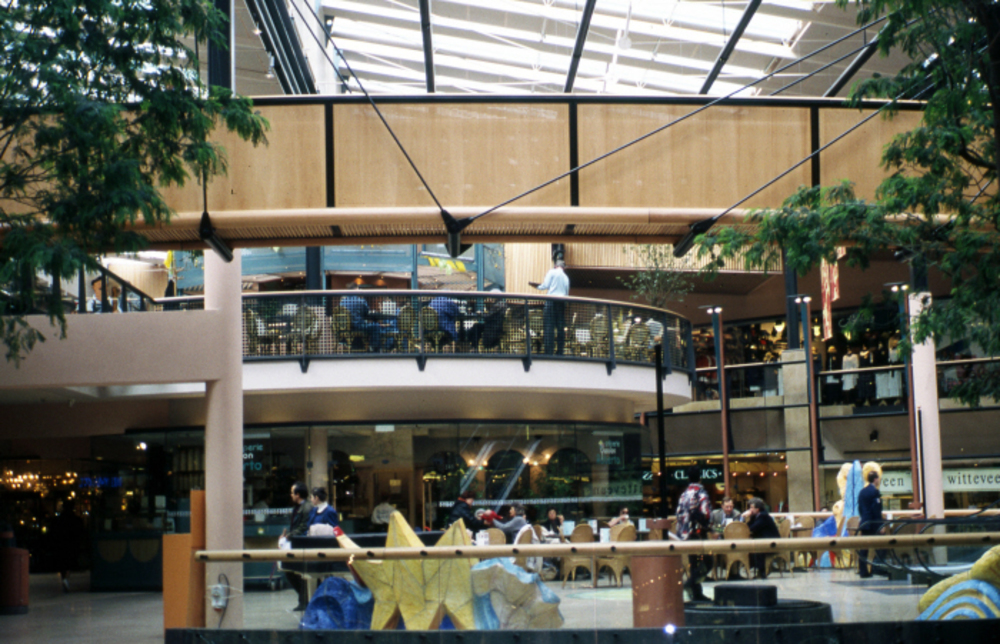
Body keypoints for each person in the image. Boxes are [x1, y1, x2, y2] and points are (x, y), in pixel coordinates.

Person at [676, 465, 711, 601]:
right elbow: (706, 514)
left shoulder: (683, 494)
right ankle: (690, 584)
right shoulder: (701, 493)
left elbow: (679, 514)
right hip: (698, 533)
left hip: (685, 534)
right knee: (708, 561)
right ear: (700, 478)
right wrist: (713, 528)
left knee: (694, 563)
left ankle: (696, 594)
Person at [282, 482, 313, 611]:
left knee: (296, 571)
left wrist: (288, 536)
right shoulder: (298, 507)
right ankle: (303, 599)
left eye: (292, 492)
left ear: (298, 494)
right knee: (291, 571)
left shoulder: (306, 508)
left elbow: (303, 527)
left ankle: (304, 600)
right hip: (295, 543)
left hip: (301, 544)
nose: (291, 495)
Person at [531, 258, 569, 355]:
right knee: (560, 328)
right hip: (561, 303)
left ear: (555, 266)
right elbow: (567, 294)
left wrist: (536, 286)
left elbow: (545, 286)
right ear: (564, 268)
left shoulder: (552, 272)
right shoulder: (566, 278)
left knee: (549, 327)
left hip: (551, 301)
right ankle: (560, 351)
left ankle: (549, 352)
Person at [50, 499, 86, 592]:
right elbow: (81, 532)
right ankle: (66, 578)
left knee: (63, 563)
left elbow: (53, 532)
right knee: (70, 562)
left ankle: (64, 578)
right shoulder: (76, 520)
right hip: (72, 544)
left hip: (62, 545)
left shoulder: (58, 520)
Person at [742, 497, 780, 577]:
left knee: (757, 548)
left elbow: (752, 528)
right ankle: (757, 569)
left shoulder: (763, 516)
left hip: (772, 543)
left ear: (758, 509)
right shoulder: (755, 516)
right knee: (751, 547)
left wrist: (745, 517)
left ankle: (762, 572)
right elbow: (746, 526)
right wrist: (745, 518)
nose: (750, 510)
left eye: (752, 507)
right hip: (763, 540)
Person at [857, 469, 883, 578]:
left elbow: (860, 508)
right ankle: (877, 568)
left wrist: (864, 518)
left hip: (865, 523)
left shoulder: (862, 492)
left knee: (864, 548)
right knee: (882, 545)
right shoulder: (874, 492)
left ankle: (863, 570)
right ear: (875, 479)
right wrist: (880, 525)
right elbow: (876, 509)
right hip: (873, 524)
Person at [340, 285, 381, 351]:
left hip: (345, 328)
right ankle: (373, 347)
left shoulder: (342, 302)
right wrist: (362, 297)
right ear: (356, 290)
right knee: (376, 325)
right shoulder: (360, 300)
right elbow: (366, 313)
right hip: (358, 326)